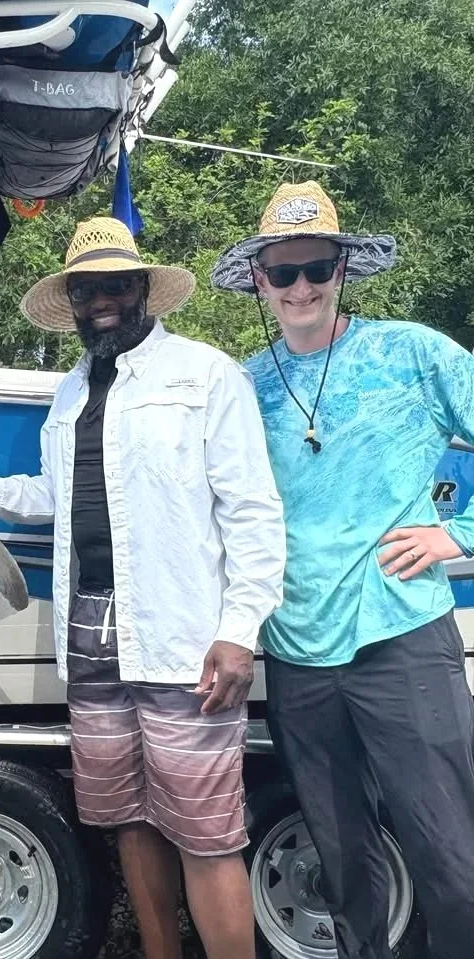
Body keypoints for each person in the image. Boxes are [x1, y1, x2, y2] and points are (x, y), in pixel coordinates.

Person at [0, 216, 286, 959]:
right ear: (71, 300)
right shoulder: (70, 391)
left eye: (116, 285)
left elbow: (253, 509)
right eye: (85, 289)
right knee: (130, 816)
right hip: (90, 634)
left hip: (181, 638)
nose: (101, 300)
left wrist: (239, 630)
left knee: (206, 832)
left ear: (143, 291)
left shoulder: (205, 374)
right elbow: (56, 494)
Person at [210, 180, 474, 959]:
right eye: (282, 272)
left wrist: (458, 534)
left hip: (401, 637)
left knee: (453, 857)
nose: (300, 287)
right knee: (341, 867)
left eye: (316, 268)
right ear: (258, 280)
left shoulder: (413, 353)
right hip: (295, 652)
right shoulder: (239, 387)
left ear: (342, 269)